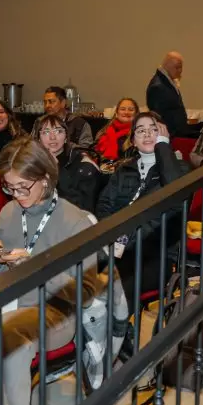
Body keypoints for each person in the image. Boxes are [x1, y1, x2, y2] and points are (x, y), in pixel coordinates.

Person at [0, 137, 126, 405]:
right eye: (9, 188)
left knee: (7, 341)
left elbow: (84, 289)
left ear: (45, 178)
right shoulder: (10, 212)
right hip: (11, 298)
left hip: (58, 309)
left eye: (23, 187)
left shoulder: (73, 220)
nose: (16, 196)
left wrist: (35, 266)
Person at [96, 111, 187, 315]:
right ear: (133, 141)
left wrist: (163, 147)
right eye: (140, 131)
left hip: (153, 254)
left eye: (153, 130)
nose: (147, 135)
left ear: (163, 134)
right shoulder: (124, 170)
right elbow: (104, 205)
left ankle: (118, 339)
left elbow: (176, 195)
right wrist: (113, 237)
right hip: (114, 248)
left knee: (115, 289)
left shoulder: (179, 169)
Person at [36, 114, 102, 214]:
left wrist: (57, 170)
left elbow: (82, 207)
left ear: (66, 137)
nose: (52, 137)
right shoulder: (33, 163)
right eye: (46, 132)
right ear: (39, 139)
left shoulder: (82, 164)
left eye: (58, 131)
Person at [145, 52, 203, 138]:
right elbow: (158, 117)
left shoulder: (166, 82)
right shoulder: (158, 86)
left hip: (178, 132)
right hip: (172, 136)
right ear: (167, 66)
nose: (180, 70)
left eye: (181, 67)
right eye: (177, 67)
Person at [94, 97, 138, 162]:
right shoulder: (104, 131)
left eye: (131, 110)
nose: (126, 112)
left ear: (136, 114)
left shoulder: (138, 133)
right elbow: (94, 151)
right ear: (116, 113)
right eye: (122, 109)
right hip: (103, 168)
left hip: (125, 169)